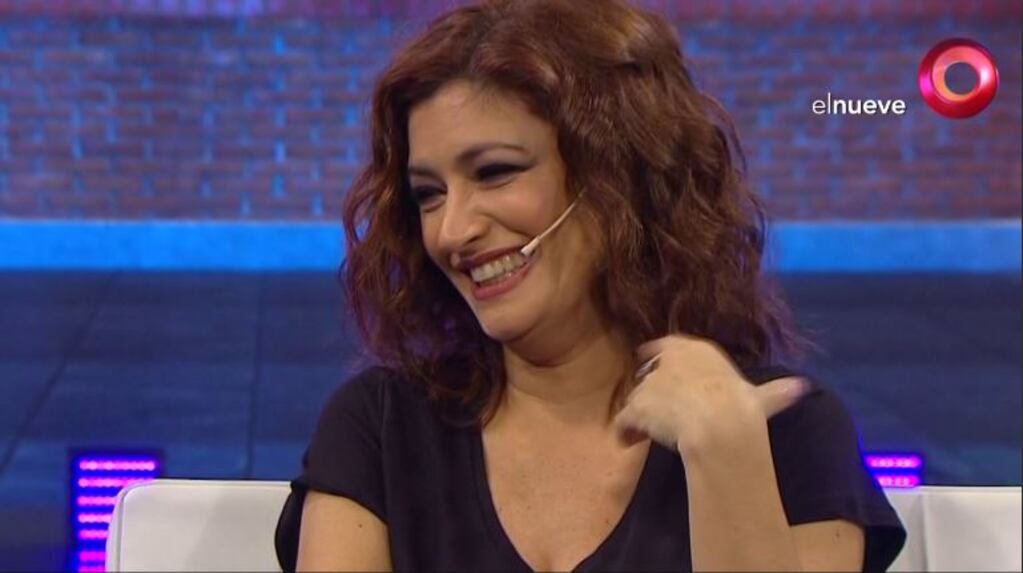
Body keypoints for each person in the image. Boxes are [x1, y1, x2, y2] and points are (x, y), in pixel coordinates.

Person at [275, 0, 907, 570]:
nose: (452, 230)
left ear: (617, 176)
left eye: (494, 172)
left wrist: (725, 460)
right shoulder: (379, 427)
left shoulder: (786, 431)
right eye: (429, 194)